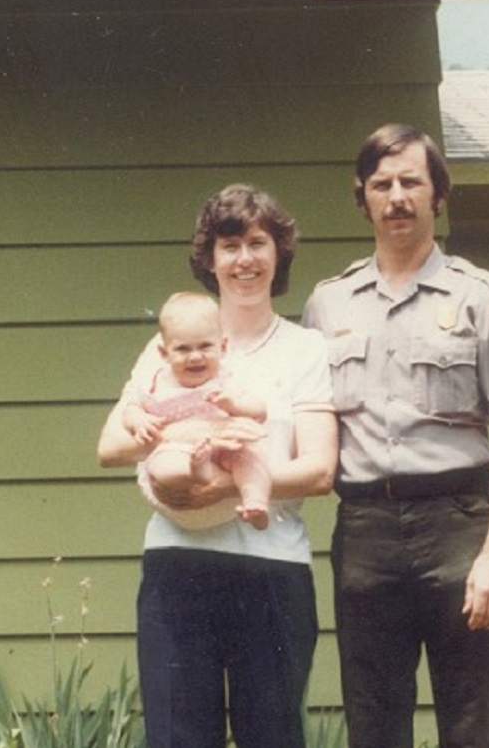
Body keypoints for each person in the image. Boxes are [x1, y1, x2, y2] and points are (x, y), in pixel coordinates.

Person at [302, 124, 489, 748]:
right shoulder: (328, 305)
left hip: (458, 527)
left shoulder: (481, 295)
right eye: (381, 185)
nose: (397, 198)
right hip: (365, 530)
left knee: (471, 721)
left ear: (438, 195)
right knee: (373, 718)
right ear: (362, 198)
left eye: (412, 182)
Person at [98, 183, 338, 748]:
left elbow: (321, 470)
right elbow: (110, 446)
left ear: (279, 254)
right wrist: (172, 441)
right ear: (210, 259)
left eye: (258, 243)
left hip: (271, 569)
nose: (245, 259)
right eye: (230, 246)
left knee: (272, 737)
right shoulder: (173, 347)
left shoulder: (304, 350)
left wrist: (225, 486)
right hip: (178, 567)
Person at [122, 290, 273, 530]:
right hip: (179, 451)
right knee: (163, 467)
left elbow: (259, 411)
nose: (195, 357)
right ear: (164, 353)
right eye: (183, 349)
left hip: (227, 451)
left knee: (252, 459)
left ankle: (255, 502)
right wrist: (137, 420)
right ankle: (198, 471)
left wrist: (233, 404)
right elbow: (130, 408)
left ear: (222, 346)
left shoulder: (226, 380)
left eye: (205, 346)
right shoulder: (155, 383)